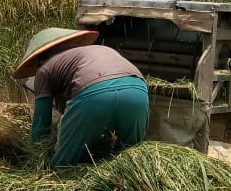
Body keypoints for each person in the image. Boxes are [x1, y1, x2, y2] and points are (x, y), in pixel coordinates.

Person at [12, 28, 149, 167]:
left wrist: (36, 156)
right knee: (130, 159)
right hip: (138, 91)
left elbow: (41, 123)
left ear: (40, 58)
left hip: (94, 95)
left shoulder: (44, 69)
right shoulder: (96, 50)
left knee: (63, 167)